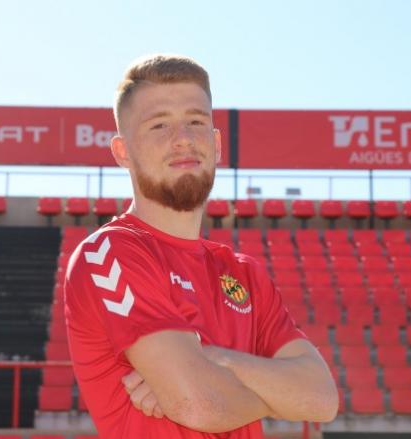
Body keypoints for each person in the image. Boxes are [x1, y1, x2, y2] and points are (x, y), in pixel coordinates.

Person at [64, 54, 338, 438]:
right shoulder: (110, 254)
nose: (183, 139)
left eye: (196, 121)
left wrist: (215, 359)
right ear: (123, 152)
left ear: (216, 142)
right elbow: (198, 403)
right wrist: (279, 396)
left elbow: (322, 398)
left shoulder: (244, 273)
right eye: (159, 125)